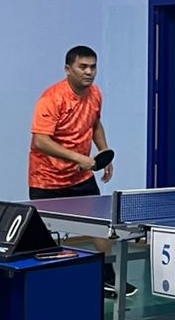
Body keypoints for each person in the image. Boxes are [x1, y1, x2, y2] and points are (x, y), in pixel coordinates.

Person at [28, 46, 136, 299]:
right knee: (43, 234)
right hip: (46, 178)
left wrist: (104, 152)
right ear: (68, 69)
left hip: (81, 176)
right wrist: (79, 158)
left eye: (93, 67)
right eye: (83, 67)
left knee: (101, 226)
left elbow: (94, 123)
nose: (89, 72)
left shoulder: (95, 93)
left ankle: (108, 277)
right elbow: (40, 141)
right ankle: (47, 282)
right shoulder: (52, 98)